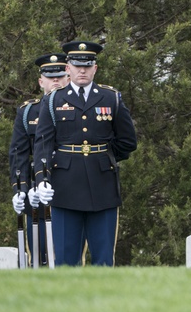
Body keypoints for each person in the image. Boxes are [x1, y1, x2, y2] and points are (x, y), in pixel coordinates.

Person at [32, 40, 138, 266]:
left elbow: (128, 141)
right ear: (67, 68)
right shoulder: (53, 100)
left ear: (95, 68)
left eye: (87, 65)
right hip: (65, 186)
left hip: (103, 186)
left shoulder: (111, 98)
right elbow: (43, 143)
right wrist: (42, 178)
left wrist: (105, 157)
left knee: (103, 259)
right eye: (77, 65)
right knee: (65, 259)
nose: (82, 70)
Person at [10, 53, 70, 265]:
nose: (56, 80)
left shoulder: (77, 109)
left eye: (60, 75)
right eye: (50, 76)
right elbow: (19, 155)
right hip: (37, 194)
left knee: (67, 257)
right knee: (38, 256)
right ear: (40, 81)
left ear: (68, 77)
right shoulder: (28, 113)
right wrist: (21, 190)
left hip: (69, 189)